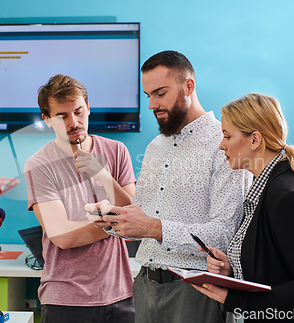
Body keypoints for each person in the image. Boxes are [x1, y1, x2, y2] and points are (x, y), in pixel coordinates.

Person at [87, 50, 252, 323]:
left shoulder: (224, 144)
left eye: (160, 93)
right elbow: (144, 220)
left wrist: (154, 228)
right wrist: (114, 221)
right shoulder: (155, 147)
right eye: (148, 95)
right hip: (145, 286)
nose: (151, 104)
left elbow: (227, 234)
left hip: (197, 291)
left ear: (189, 86)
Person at [192, 93, 294, 322]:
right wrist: (233, 268)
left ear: (255, 140)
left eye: (227, 136)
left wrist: (234, 298)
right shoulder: (265, 189)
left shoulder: (288, 197)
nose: (221, 145)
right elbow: (275, 266)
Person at [24, 74, 136, 323]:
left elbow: (136, 219)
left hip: (121, 295)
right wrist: (119, 223)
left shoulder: (117, 151)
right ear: (46, 119)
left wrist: (105, 177)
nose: (74, 122)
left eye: (78, 111)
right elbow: (63, 237)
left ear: (88, 108)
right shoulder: (39, 165)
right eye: (62, 116)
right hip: (66, 300)